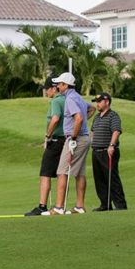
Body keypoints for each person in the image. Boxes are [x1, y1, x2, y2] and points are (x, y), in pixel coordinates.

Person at [43, 72, 95, 215]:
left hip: (76, 139)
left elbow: (78, 118)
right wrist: (82, 124)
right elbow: (91, 109)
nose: (58, 87)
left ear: (66, 85)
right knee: (80, 173)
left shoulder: (70, 99)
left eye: (59, 84)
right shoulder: (77, 97)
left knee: (62, 171)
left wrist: (73, 136)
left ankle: (59, 207)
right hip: (84, 138)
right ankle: (79, 206)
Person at [25, 77, 65, 216]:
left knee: (45, 174)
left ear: (54, 88)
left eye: (47, 89)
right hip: (65, 141)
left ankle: (42, 206)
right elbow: (89, 110)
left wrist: (48, 136)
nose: (45, 92)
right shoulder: (67, 100)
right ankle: (60, 206)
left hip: (55, 141)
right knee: (61, 173)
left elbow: (55, 118)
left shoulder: (56, 101)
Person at [90, 92, 127, 211]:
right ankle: (105, 204)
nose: (97, 104)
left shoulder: (113, 116)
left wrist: (112, 145)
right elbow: (93, 132)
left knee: (112, 179)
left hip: (108, 151)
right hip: (96, 152)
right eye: (96, 102)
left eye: (99, 101)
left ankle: (120, 205)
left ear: (107, 102)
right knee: (99, 180)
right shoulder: (97, 117)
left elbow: (116, 131)